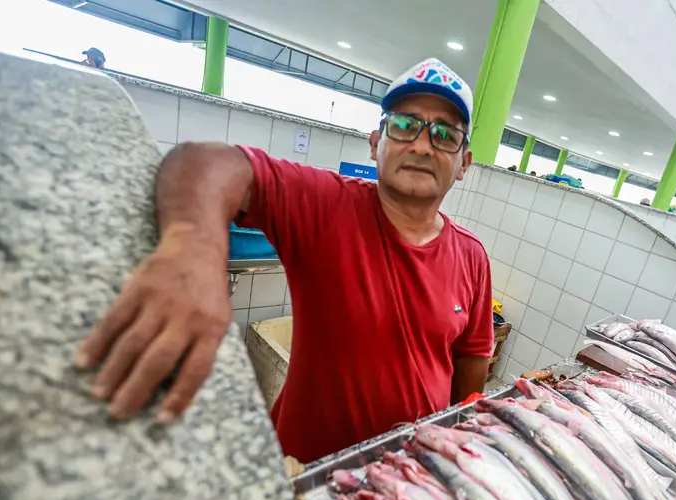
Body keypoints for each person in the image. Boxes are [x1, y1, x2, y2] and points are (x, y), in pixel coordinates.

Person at [74, 58, 494, 463]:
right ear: (375, 144)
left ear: (463, 164)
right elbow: (203, 161)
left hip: (412, 472)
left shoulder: (471, 255)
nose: (422, 145)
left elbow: (470, 362)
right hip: (306, 468)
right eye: (404, 126)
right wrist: (193, 249)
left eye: (445, 135)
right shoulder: (325, 205)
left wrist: (452, 447)